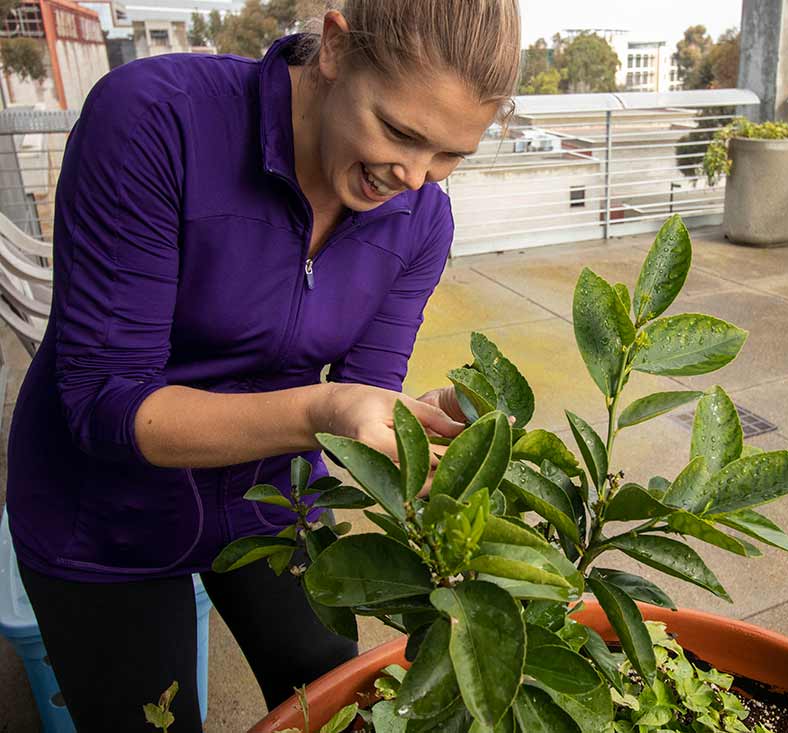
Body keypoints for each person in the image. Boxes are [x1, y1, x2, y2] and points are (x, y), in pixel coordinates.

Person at [4, 1, 521, 729]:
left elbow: (364, 389)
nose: (412, 177)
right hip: (99, 514)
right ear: (336, 48)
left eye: (449, 155)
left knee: (340, 700)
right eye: (399, 131)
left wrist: (410, 423)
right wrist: (319, 412)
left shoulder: (422, 217)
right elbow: (108, 405)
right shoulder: (156, 121)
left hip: (268, 497)